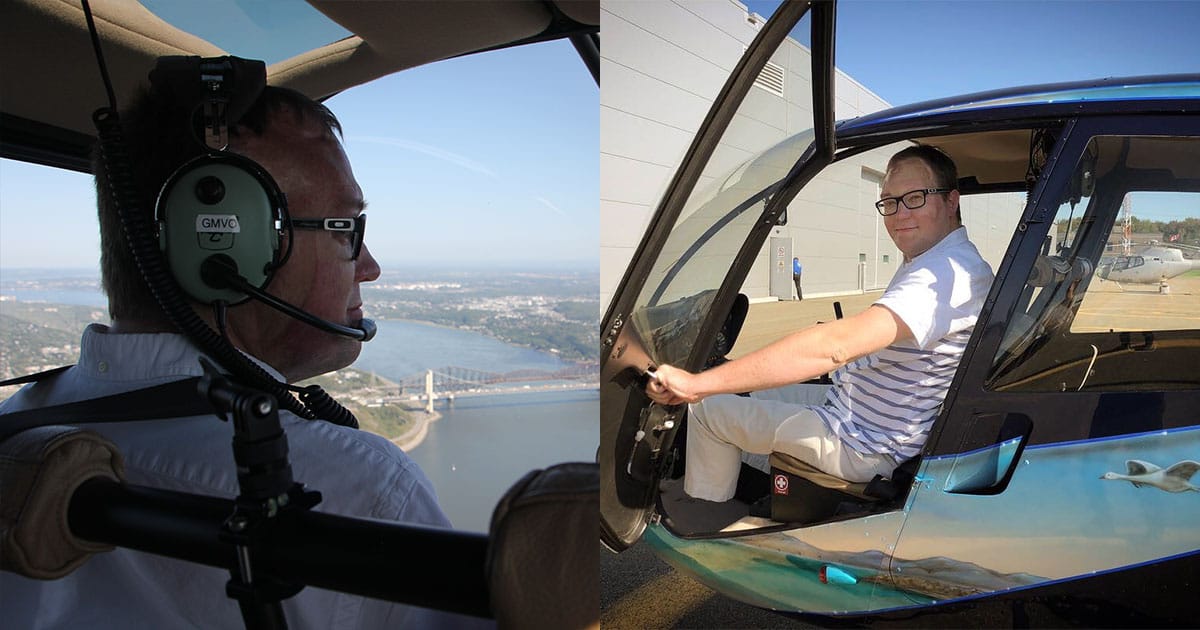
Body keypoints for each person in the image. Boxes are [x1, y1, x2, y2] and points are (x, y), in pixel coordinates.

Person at [0, 64, 472, 628]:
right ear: (224, 245)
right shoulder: (363, 490)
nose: (370, 267)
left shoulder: (15, 426)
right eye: (347, 227)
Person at [646, 145, 994, 503]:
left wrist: (697, 383)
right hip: (856, 408)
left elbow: (834, 347)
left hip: (865, 443)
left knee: (707, 408)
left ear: (951, 201)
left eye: (915, 198)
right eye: (890, 202)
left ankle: (703, 515)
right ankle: (761, 493)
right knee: (740, 392)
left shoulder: (944, 274)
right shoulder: (935, 259)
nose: (899, 213)